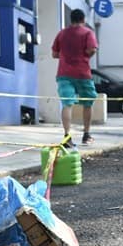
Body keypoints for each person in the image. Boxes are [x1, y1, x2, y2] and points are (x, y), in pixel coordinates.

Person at [52, 9, 98, 147]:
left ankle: (67, 136)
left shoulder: (61, 34)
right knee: (88, 103)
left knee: (67, 104)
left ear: (70, 20)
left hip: (64, 74)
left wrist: (66, 56)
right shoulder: (88, 33)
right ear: (83, 20)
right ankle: (86, 135)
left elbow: (54, 54)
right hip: (83, 73)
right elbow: (92, 49)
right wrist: (84, 57)